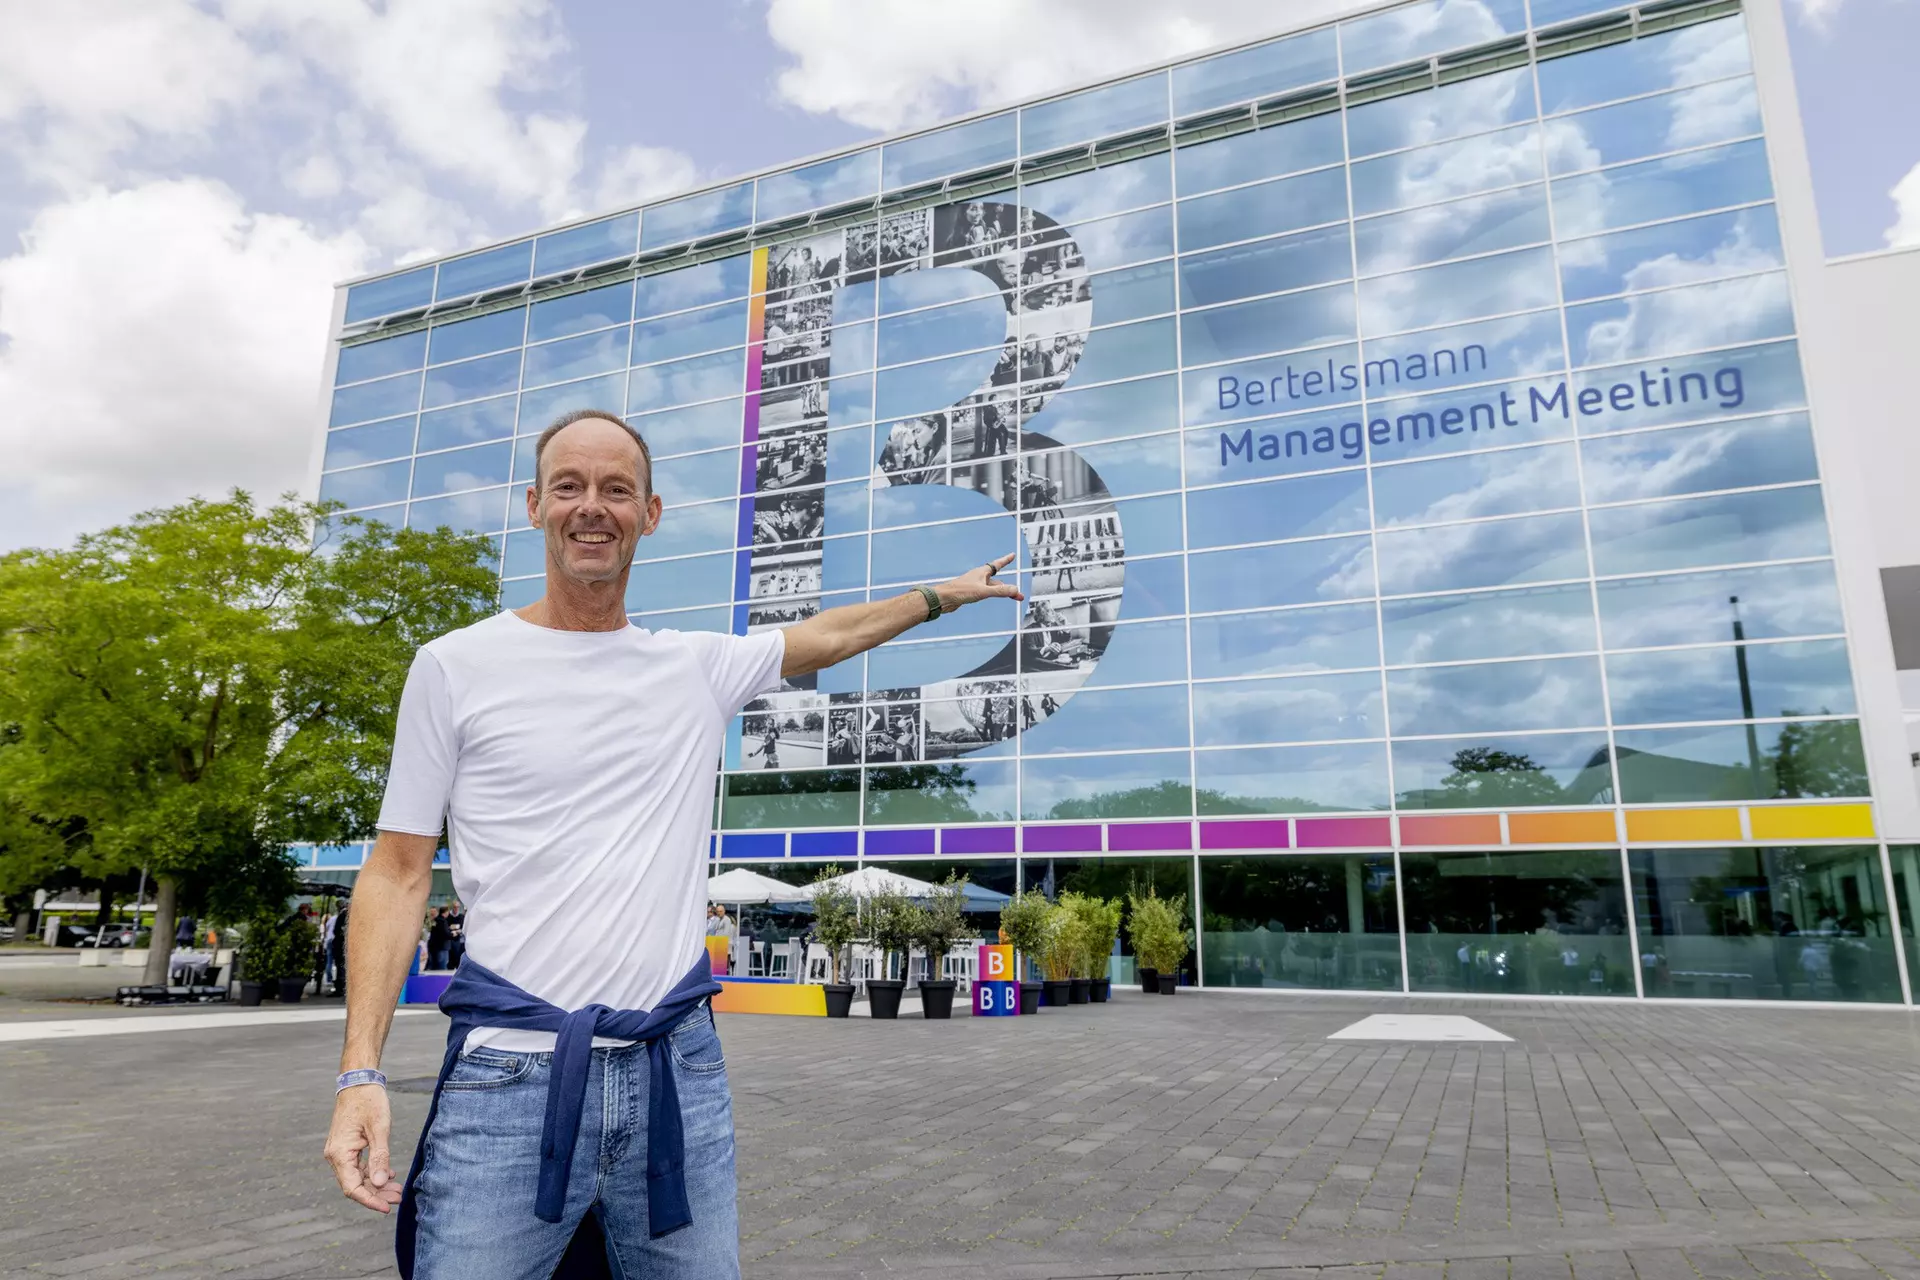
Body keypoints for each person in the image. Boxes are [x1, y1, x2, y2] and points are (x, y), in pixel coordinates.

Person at [323, 407, 1021, 1279]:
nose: (592, 507)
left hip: (677, 1075)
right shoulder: (454, 665)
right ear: (536, 504)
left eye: (618, 490)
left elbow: (831, 636)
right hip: (509, 1079)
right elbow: (395, 873)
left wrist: (943, 595)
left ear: (648, 516)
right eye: (570, 486)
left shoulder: (692, 667)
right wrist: (360, 1074)